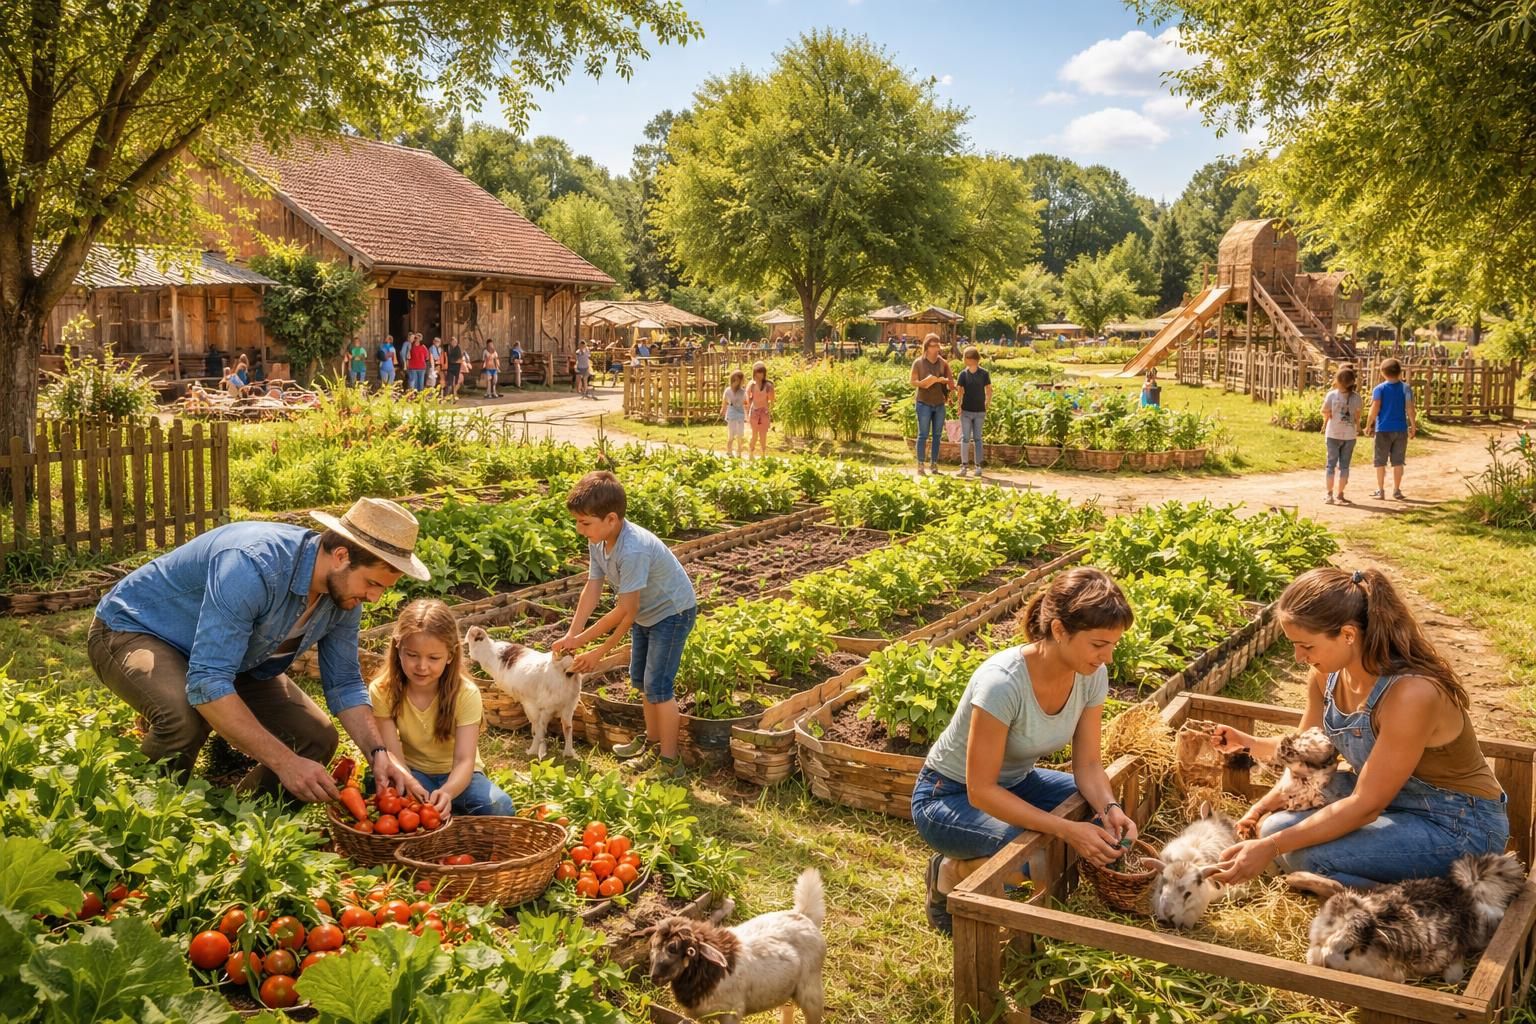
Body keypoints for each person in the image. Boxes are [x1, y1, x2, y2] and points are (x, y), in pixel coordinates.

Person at [87, 497, 432, 804]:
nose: (375, 598)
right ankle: (136, 816)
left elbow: (343, 682)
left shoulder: (344, 596)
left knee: (316, 739)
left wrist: (379, 753)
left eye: (382, 589)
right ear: (341, 556)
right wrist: (285, 763)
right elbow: (208, 684)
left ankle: (237, 821)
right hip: (136, 630)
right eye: (372, 584)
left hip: (230, 658)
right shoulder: (252, 564)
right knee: (185, 717)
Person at [1208, 567, 1507, 890]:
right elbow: (1308, 757)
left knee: (1305, 858)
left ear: (1348, 635)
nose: (1298, 657)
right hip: (1396, 801)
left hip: (1456, 825)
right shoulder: (1328, 675)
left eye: (1306, 647)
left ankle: (1438, 902)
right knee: (1274, 827)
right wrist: (1257, 793)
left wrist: (1272, 848)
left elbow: (1366, 805)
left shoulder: (1411, 694)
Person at [912, 568, 1138, 934]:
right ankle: (950, 872)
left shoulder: (1091, 674)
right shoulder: (1002, 682)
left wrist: (1109, 808)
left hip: (1017, 783)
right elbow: (981, 790)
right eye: (1098, 645)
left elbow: (1090, 764)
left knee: (1100, 824)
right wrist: (1066, 830)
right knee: (1032, 857)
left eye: (1113, 645)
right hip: (948, 796)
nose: (1107, 658)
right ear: (1060, 630)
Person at [552, 472, 696, 780]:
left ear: (612, 519)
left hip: (672, 613)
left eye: (584, 523)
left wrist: (597, 653)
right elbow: (592, 588)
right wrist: (572, 635)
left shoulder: (632, 550)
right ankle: (653, 745)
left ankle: (672, 762)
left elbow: (625, 612)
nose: (579, 530)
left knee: (659, 686)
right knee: (643, 683)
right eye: (577, 522)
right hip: (647, 613)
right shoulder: (599, 540)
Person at [370, 598, 514, 817]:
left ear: (450, 655)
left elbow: (465, 760)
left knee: (499, 806)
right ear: (398, 647)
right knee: (380, 791)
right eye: (412, 655)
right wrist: (408, 781)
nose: (422, 666)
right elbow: (392, 752)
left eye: (433, 658)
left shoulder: (465, 693)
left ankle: (450, 807)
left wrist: (447, 791)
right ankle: (451, 814)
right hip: (412, 772)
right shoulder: (382, 689)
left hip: (460, 776)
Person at [1365, 358, 1416, 500]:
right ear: (1400, 372)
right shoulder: (1406, 388)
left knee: (1380, 461)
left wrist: (1368, 424)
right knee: (1398, 461)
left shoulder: (1379, 389)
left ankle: (1380, 490)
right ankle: (1397, 490)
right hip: (1400, 429)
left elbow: (1374, 408)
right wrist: (1413, 425)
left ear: (1382, 373)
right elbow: (1410, 408)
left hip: (1383, 429)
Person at [910, 334, 954, 476]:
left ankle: (934, 464)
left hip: (939, 402)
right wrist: (924, 382)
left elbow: (951, 382)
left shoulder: (943, 363)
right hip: (923, 402)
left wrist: (943, 381)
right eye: (933, 346)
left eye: (938, 345)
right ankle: (920, 464)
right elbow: (913, 381)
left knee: (937, 435)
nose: (936, 349)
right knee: (923, 434)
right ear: (927, 347)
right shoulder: (918, 363)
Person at [1322, 366, 1363, 505]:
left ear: (1337, 381)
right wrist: (1358, 426)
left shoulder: (1332, 395)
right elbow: (1358, 415)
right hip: (1349, 435)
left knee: (1330, 465)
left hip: (1333, 433)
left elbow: (1324, 411)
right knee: (1344, 466)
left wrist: (1327, 417)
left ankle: (1329, 494)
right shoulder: (1357, 398)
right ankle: (1340, 493)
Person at [955, 346, 992, 479]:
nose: (964, 360)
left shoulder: (984, 374)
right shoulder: (963, 374)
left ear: (972, 359)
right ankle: (964, 466)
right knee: (965, 438)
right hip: (966, 411)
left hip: (979, 411)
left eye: (965, 357)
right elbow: (960, 391)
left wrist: (987, 402)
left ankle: (978, 466)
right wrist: (959, 406)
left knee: (977, 438)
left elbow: (988, 389)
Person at [747, 361, 774, 460]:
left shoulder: (768, 385)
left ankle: (763, 454)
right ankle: (751, 453)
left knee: (763, 435)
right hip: (754, 412)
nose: (760, 374)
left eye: (762, 372)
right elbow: (748, 399)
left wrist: (770, 390)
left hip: (764, 412)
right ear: (754, 372)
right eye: (758, 371)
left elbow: (771, 399)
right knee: (754, 434)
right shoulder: (752, 385)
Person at [722, 369, 748, 458]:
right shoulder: (728, 390)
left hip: (740, 414)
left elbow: (746, 403)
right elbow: (724, 402)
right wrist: (723, 410)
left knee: (740, 435)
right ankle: (729, 451)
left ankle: (739, 452)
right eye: (734, 380)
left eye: (738, 380)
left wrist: (748, 413)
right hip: (731, 413)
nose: (736, 382)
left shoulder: (743, 392)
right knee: (731, 435)